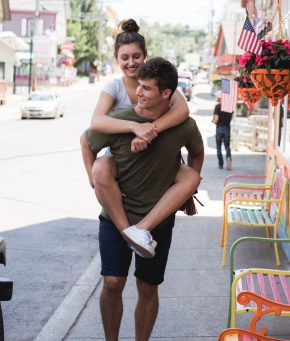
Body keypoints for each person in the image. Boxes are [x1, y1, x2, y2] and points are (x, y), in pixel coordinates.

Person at [81, 57, 204, 341]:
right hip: (115, 217)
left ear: (166, 94)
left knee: (148, 287)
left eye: (147, 88)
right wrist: (94, 178)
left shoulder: (183, 125)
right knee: (113, 282)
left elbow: (197, 151)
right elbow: (87, 143)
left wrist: (189, 190)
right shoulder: (121, 120)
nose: (139, 92)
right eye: (139, 86)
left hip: (157, 221)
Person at [88, 19, 199, 258]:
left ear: (145, 55)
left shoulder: (157, 83)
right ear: (116, 58)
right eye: (124, 57)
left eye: (136, 56)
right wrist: (133, 127)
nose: (131, 63)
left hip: (158, 157)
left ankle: (140, 230)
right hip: (122, 158)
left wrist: (151, 130)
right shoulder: (114, 88)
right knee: (100, 167)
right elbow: (96, 123)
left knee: (191, 176)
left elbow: (182, 110)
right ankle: (128, 231)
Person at [213, 91, 232, 170]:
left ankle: (220, 164)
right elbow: (231, 117)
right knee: (227, 146)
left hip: (219, 128)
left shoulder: (218, 107)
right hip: (227, 128)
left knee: (218, 147)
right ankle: (228, 157)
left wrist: (213, 121)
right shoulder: (229, 106)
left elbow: (216, 119)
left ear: (219, 97)